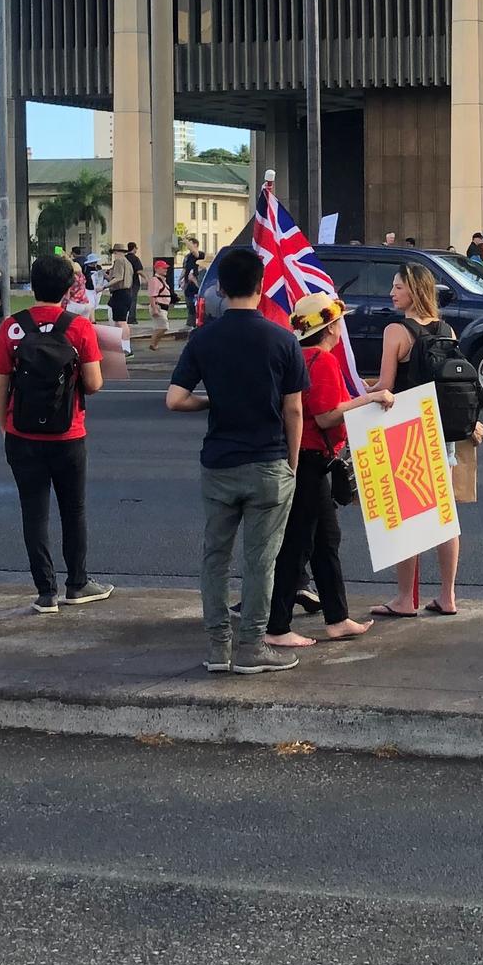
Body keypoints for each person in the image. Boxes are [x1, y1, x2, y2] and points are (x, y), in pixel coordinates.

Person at [166, 244, 305, 673]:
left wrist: (210, 402)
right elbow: (294, 410)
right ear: (262, 288)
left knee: (216, 557)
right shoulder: (282, 340)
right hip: (269, 462)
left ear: (222, 289)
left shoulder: (203, 339)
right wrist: (292, 463)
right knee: (261, 560)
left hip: (220, 462)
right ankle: (252, 646)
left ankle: (216, 646)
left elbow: (175, 400)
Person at [0, 253, 111, 614]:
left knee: (34, 512)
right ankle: (78, 582)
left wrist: (4, 425)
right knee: (73, 509)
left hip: (22, 434)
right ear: (67, 288)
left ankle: (46, 592)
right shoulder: (78, 327)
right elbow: (93, 384)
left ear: (32, 284)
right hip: (68, 435)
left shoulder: (11, 328)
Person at [265, 295, 388, 648]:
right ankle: (277, 625)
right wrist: (370, 398)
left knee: (323, 541)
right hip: (311, 459)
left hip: (304, 459)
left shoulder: (298, 357)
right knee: (300, 543)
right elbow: (327, 416)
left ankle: (337, 617)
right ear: (331, 327)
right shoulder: (322, 361)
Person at [371, 263, 482, 617]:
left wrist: (360, 387)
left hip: (407, 430)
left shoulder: (396, 331)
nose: (392, 293)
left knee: (408, 517)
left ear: (415, 291)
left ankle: (405, 599)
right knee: (444, 516)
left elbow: (386, 385)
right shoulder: (446, 329)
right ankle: (448, 596)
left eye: (398, 287)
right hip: (442, 430)